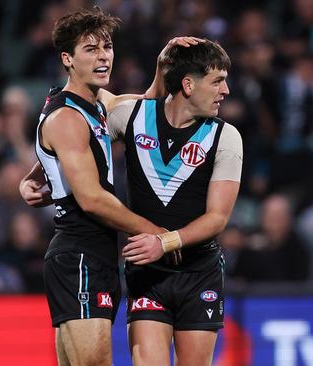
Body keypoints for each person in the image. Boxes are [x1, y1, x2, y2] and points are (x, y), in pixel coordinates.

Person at [18, 7, 203, 366]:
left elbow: (138, 107)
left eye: (107, 47)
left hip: (95, 253)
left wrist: (163, 68)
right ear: (67, 58)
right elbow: (91, 200)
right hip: (79, 254)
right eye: (91, 49)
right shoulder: (68, 117)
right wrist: (158, 233)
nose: (104, 56)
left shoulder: (94, 103)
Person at [105, 40, 242, 365]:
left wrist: (164, 241)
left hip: (200, 273)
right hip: (148, 275)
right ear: (188, 84)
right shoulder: (131, 116)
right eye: (217, 80)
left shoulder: (225, 137)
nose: (226, 90)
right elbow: (78, 138)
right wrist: (41, 171)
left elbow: (217, 218)